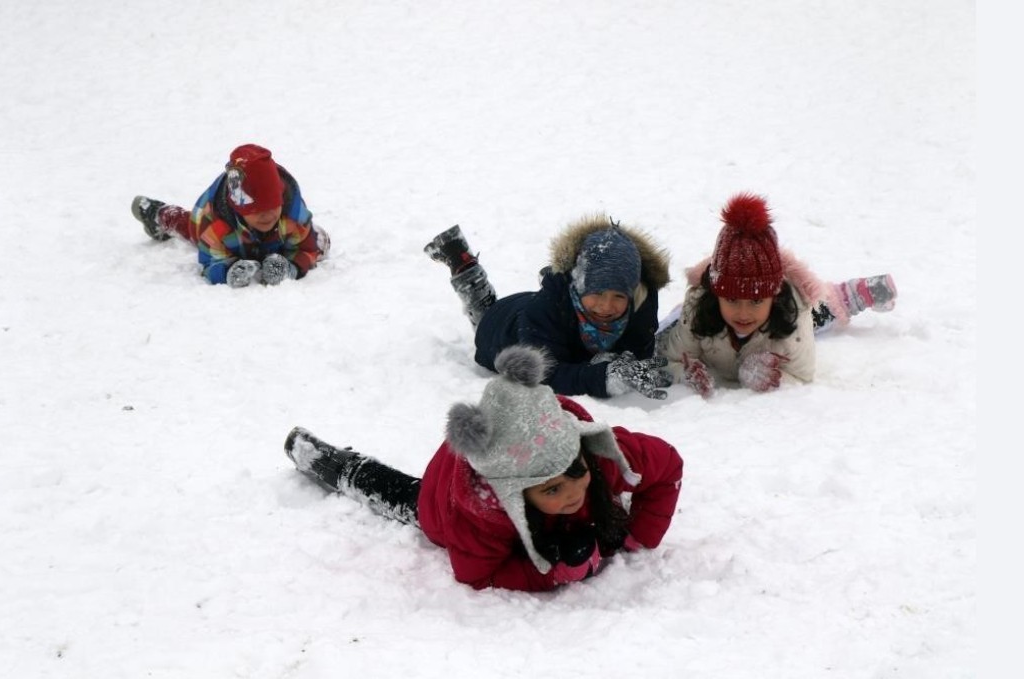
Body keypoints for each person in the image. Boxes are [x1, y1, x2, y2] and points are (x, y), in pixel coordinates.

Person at [284, 345, 684, 592]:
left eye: (575, 474)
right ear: (514, 493)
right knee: (402, 495)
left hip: (510, 445)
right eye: (550, 490)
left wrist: (637, 536)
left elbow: (668, 467)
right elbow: (477, 575)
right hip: (444, 498)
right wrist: (551, 574)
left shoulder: (597, 453)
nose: (572, 494)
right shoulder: (481, 514)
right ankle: (328, 462)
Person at [655, 192, 898, 396]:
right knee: (672, 325)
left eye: (756, 300)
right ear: (716, 294)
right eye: (731, 299)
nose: (743, 313)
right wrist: (686, 375)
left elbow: (802, 375)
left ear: (774, 294)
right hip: (705, 313)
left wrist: (770, 376)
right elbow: (669, 360)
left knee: (819, 312)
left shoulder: (793, 313)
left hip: (785, 317)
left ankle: (848, 295)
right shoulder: (697, 310)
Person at [423, 216, 672, 400]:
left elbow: (640, 351)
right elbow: (543, 375)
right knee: (485, 313)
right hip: (504, 327)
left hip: (549, 312)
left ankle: (552, 284)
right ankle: (464, 266)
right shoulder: (542, 312)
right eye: (596, 293)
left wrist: (621, 362)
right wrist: (602, 376)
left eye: (619, 295)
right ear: (579, 285)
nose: (607, 306)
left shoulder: (641, 300)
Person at [130, 143, 330, 287]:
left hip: (276, 236)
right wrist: (228, 271)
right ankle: (158, 214)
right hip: (219, 228)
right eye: (257, 210)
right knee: (190, 227)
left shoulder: (292, 215)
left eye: (272, 205)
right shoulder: (215, 225)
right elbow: (209, 263)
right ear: (239, 208)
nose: (267, 215)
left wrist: (291, 267)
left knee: (317, 238)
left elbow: (309, 248)